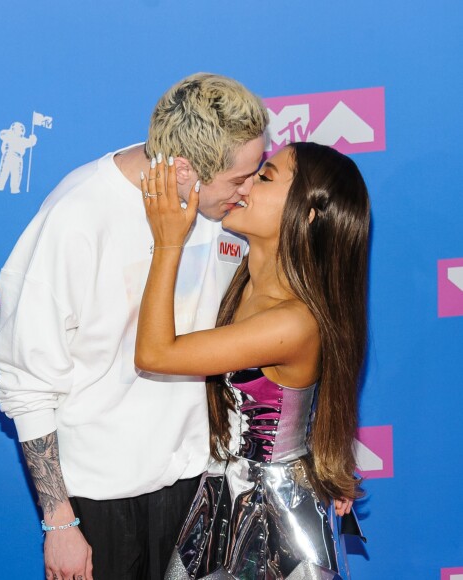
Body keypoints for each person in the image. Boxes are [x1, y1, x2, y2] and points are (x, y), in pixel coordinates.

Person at [0, 73, 269, 580]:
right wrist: (60, 524)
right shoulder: (76, 219)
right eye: (239, 179)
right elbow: (26, 382)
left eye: (258, 172)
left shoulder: (225, 214)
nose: (250, 192)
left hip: (199, 484)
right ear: (184, 169)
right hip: (101, 500)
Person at [135, 141, 370, 579]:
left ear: (310, 213)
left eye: (264, 177)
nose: (244, 184)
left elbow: (154, 354)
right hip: (224, 495)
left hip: (274, 519)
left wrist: (168, 242)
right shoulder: (241, 277)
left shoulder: (294, 322)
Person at [0, 121, 37, 194]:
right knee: (4, 171)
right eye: (20, 128)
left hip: (18, 157)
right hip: (8, 155)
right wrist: (10, 132)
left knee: (16, 174)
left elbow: (30, 143)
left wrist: (33, 139)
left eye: (22, 129)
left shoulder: (23, 140)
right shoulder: (9, 135)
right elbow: (1, 134)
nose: (22, 130)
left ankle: (15, 189)